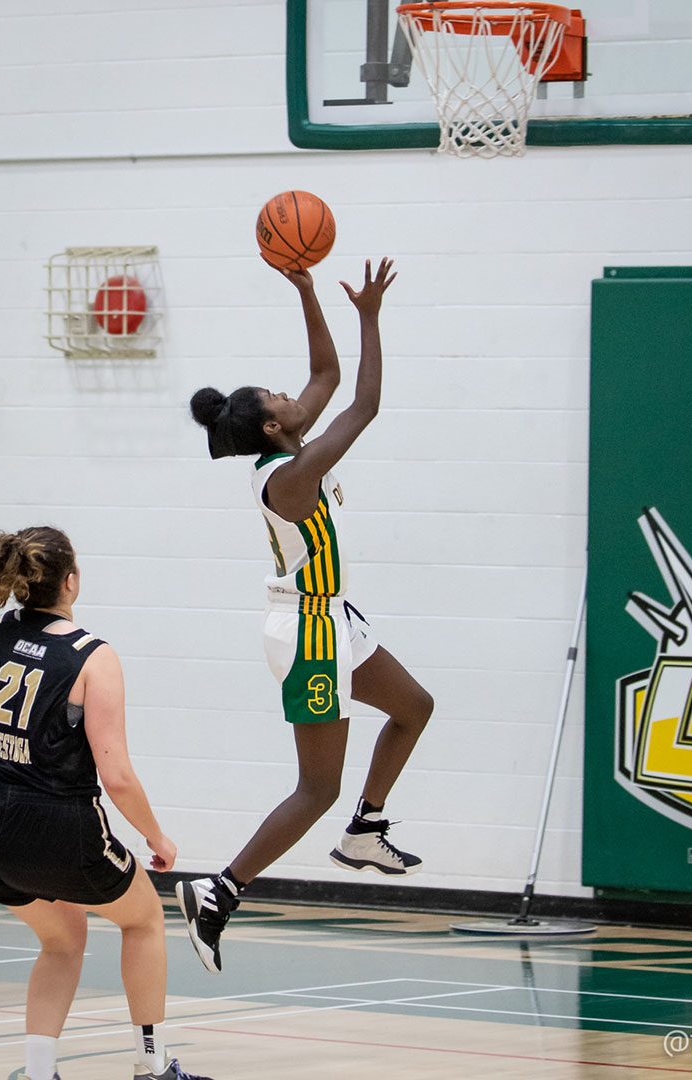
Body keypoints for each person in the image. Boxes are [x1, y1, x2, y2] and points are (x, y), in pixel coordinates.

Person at [177, 257, 434, 974]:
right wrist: (372, 319)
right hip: (309, 631)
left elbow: (324, 377)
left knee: (414, 707)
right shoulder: (291, 475)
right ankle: (220, 889)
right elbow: (364, 404)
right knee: (316, 786)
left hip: (336, 618)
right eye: (281, 396)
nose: (297, 395)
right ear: (271, 423)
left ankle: (367, 829)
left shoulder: (292, 447)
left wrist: (308, 291)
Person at [0, 527, 210, 1080]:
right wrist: (157, 838)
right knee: (145, 920)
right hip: (60, 828)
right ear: (71, 581)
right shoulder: (92, 656)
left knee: (63, 938)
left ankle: (40, 1074)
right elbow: (119, 778)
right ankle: (152, 1069)